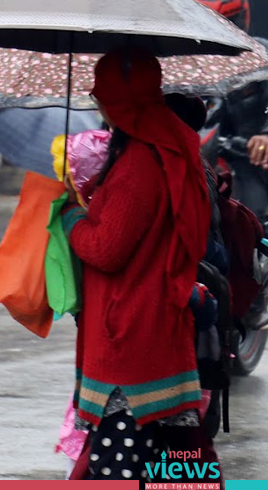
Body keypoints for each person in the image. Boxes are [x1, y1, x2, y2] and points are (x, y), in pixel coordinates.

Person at [65, 48, 214, 482]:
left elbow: (107, 249)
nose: (97, 105)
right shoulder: (164, 148)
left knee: (119, 472)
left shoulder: (138, 165)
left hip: (130, 343)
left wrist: (72, 218)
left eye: (102, 95)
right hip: (155, 332)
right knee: (165, 471)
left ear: (118, 100)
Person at [192, 0, 268, 242]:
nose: (217, 29)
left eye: (226, 20)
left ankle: (255, 263)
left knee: (250, 217)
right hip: (199, 151)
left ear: (241, 18)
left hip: (245, 153)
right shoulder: (187, 59)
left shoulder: (262, 53)